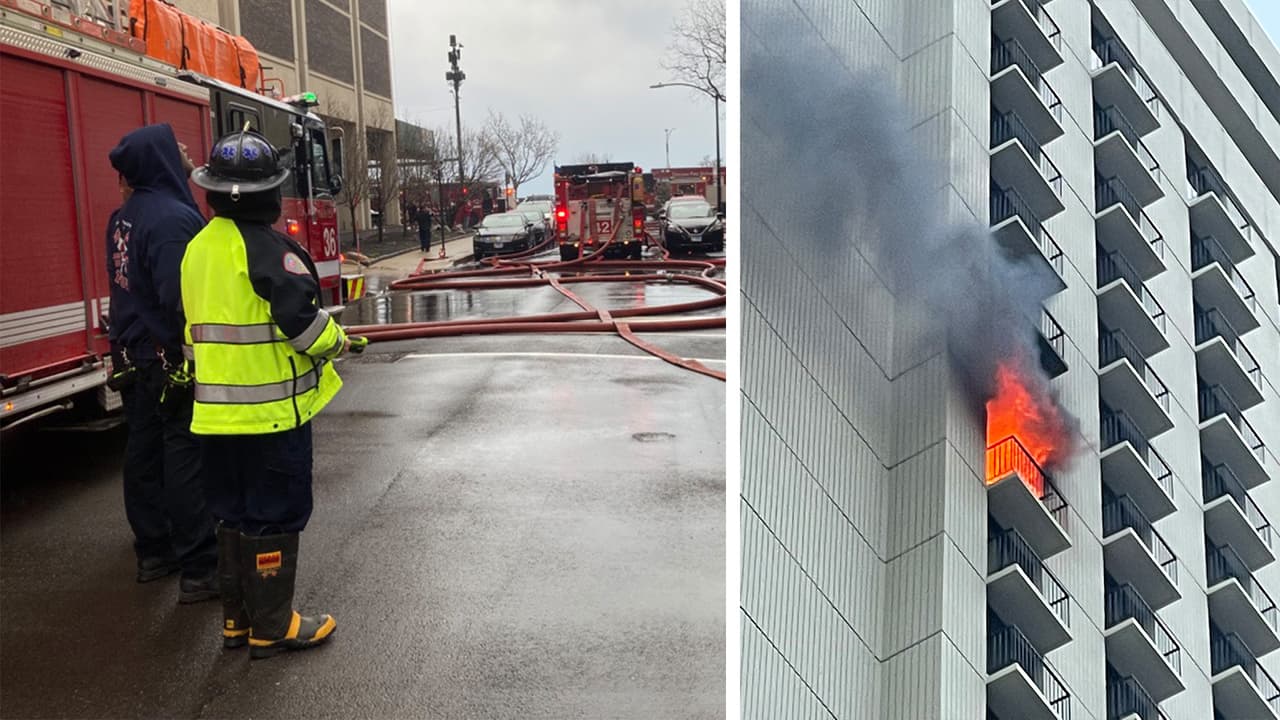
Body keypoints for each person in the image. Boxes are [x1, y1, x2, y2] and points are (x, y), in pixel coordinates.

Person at [182, 129, 349, 659]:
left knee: (231, 513)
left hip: (214, 420)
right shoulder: (271, 252)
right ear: (271, 194)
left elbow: (192, 334)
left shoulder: (197, 249)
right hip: (271, 421)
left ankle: (237, 622)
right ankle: (273, 626)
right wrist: (339, 339)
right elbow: (304, 328)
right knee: (273, 515)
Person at [106, 124, 218, 603]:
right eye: (178, 148)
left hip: (134, 354)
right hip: (165, 359)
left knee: (144, 453)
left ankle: (154, 552)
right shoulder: (172, 219)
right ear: (159, 159)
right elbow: (180, 298)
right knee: (185, 458)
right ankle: (199, 567)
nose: (188, 151)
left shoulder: (124, 217)